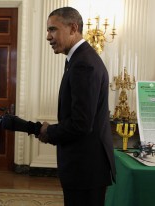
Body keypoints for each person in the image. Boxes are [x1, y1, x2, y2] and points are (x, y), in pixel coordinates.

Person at [37, 7, 116, 206]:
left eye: (52, 29)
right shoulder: (79, 59)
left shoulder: (84, 63)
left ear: (73, 28)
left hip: (86, 169)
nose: (48, 37)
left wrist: (50, 131)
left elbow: (81, 123)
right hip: (85, 167)